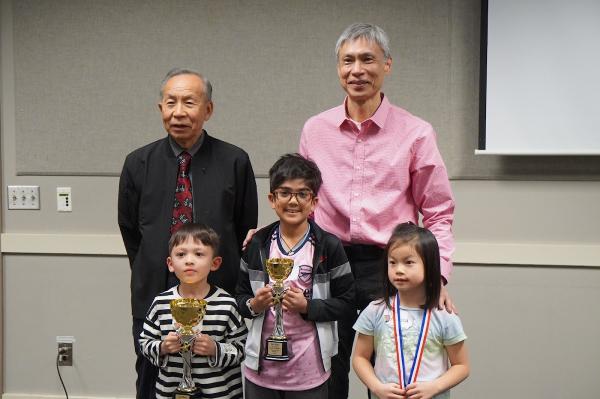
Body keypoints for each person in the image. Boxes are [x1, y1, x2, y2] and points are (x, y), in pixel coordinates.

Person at [298, 23, 456, 398]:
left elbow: (438, 212)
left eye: (367, 59)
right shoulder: (315, 130)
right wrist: (271, 237)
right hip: (326, 264)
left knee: (391, 377)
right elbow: (300, 203)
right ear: (338, 68)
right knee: (325, 372)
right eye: (347, 61)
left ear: (387, 65)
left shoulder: (416, 132)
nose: (357, 70)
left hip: (390, 267)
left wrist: (438, 277)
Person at [118, 68, 258, 398]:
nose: (178, 112)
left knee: (217, 378)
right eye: (171, 102)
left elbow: (243, 228)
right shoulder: (138, 162)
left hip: (217, 294)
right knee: (152, 378)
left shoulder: (235, 161)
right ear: (160, 108)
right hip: (155, 290)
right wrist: (156, 267)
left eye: (189, 102)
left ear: (207, 110)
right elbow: (130, 230)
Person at [236, 153, 355, 399]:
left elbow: (347, 302)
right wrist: (254, 304)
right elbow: (239, 298)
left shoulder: (329, 246)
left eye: (302, 194)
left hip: (309, 373)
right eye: (285, 192)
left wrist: (308, 306)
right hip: (261, 372)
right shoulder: (258, 244)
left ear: (314, 202)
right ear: (272, 198)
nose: (293, 201)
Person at [352, 223, 469, 399]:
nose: (399, 270)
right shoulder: (374, 311)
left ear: (429, 266)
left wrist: (434, 387)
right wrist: (376, 387)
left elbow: (462, 366)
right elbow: (360, 358)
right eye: (392, 262)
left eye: (408, 262)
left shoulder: (444, 315)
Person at [139, 223, 247, 398]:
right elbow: (145, 343)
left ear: (215, 263)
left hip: (219, 394)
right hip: (171, 392)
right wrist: (163, 347)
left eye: (198, 254)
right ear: (170, 263)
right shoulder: (161, 303)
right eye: (181, 254)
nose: (189, 260)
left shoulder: (226, 304)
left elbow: (242, 348)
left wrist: (215, 349)